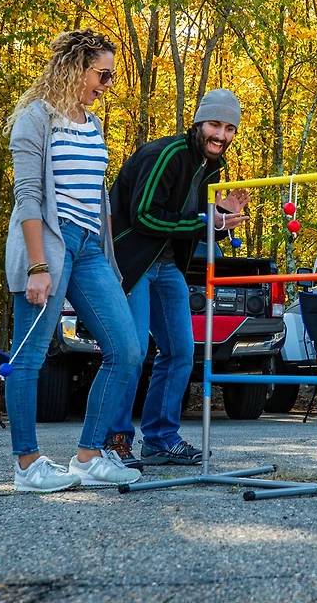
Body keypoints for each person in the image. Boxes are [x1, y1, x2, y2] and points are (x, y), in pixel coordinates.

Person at [4, 28, 142, 492]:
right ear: (74, 68)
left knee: (126, 350)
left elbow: (95, 196)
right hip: (50, 245)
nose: (108, 83)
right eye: (102, 74)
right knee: (30, 357)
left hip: (89, 250)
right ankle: (27, 464)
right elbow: (27, 197)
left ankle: (87, 456)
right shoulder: (35, 118)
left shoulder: (92, 122)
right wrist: (38, 266)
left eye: (112, 76)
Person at [103, 89, 249, 467]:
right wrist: (207, 221)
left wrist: (217, 216)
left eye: (230, 128)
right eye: (216, 125)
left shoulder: (211, 166)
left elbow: (191, 223)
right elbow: (145, 217)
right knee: (131, 353)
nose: (222, 135)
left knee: (181, 351)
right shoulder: (166, 154)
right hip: (131, 262)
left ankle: (160, 439)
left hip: (168, 267)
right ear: (199, 123)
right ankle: (114, 441)